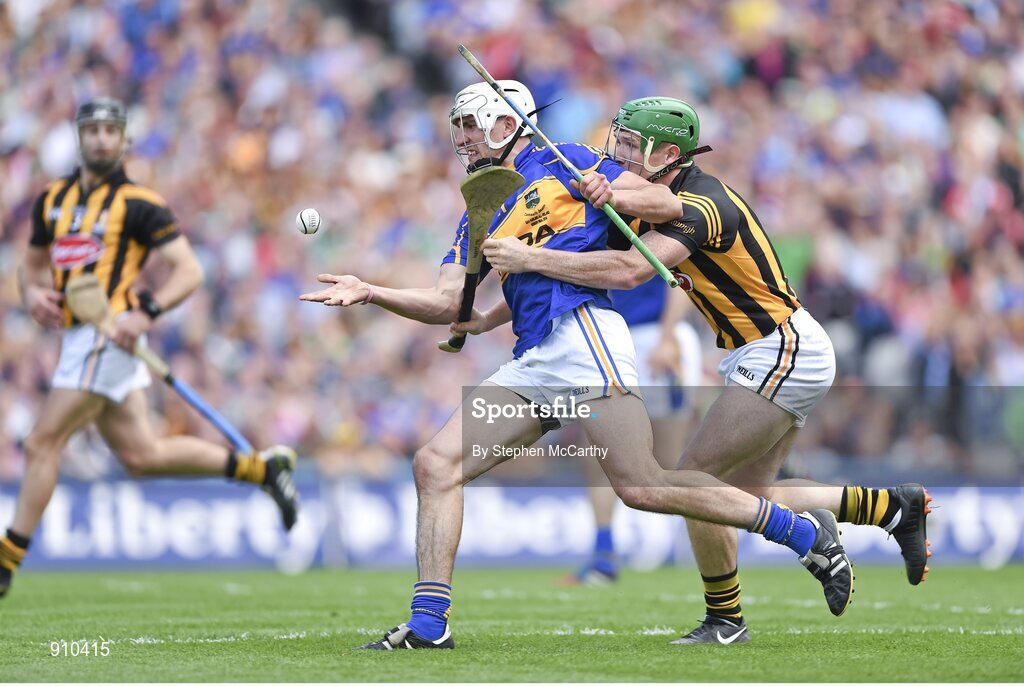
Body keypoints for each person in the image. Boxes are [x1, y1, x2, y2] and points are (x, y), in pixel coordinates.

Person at [301, 81, 859, 650]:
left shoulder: (571, 159)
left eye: (471, 126)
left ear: (504, 123)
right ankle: (428, 626)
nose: (462, 139)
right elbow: (447, 301)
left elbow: (667, 204)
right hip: (537, 351)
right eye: (459, 128)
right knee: (435, 464)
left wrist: (607, 190)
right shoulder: (480, 210)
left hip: (586, 334)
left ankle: (800, 530)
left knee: (641, 485)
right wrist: (372, 291)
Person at [481, 96, 932, 645]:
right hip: (764, 351)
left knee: (694, 482)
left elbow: (626, 271)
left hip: (780, 347)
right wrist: (494, 310)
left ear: (667, 154)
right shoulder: (651, 197)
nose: (614, 152)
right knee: (745, 493)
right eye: (616, 139)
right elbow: (581, 263)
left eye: (628, 145)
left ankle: (727, 620)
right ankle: (891, 507)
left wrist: (532, 254)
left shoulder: (703, 204)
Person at [0, 97, 299, 600]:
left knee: (41, 443)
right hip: (76, 338)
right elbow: (31, 266)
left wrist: (146, 313)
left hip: (109, 335)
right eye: (91, 128)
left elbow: (190, 271)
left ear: (124, 140)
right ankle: (261, 469)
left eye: (109, 130)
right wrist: (32, 295)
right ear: (78, 136)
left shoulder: (139, 204)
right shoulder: (51, 200)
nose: (100, 138)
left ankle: (6, 561)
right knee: (143, 455)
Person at [568, 279, 702, 585]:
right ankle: (604, 555)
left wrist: (667, 336)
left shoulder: (656, 229)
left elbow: (681, 279)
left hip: (657, 336)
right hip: (608, 342)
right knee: (596, 450)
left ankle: (678, 542)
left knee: (669, 456)